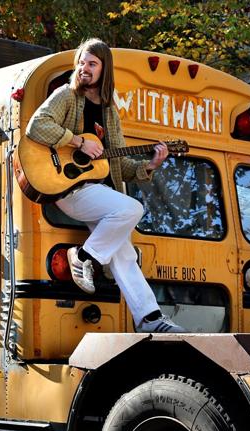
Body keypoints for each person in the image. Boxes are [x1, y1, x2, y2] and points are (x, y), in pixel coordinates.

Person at [25, 38, 186, 334]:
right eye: (82, 63)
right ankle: (84, 256)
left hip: (97, 191)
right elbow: (37, 126)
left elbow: (118, 165)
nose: (84, 68)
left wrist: (150, 166)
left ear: (104, 69)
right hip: (68, 186)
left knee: (124, 254)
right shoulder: (67, 96)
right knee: (132, 209)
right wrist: (77, 141)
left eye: (92, 64)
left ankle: (149, 318)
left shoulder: (109, 112)